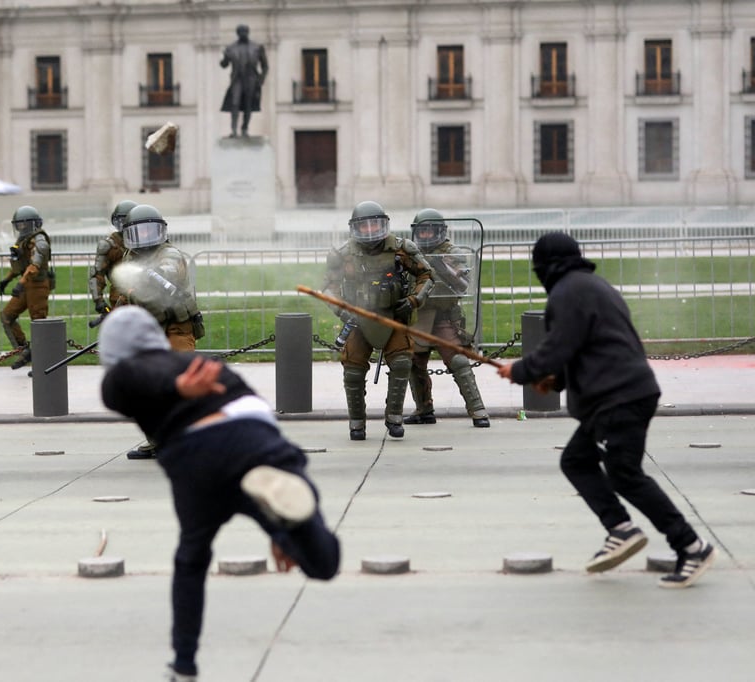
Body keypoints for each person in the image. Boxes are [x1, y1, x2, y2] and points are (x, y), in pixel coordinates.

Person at [98, 305, 340, 682]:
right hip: (257, 439)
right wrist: (281, 531)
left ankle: (183, 666)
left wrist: (177, 390)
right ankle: (284, 520)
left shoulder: (136, 371)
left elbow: (121, 384)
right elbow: (257, 412)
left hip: (198, 454)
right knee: (324, 564)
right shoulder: (206, 364)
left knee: (191, 560)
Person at [497, 232, 715, 588]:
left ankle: (691, 546)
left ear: (545, 266)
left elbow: (559, 344)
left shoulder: (567, 293)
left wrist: (522, 370)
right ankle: (620, 527)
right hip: (616, 395)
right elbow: (587, 346)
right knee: (576, 461)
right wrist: (556, 381)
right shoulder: (591, 286)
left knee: (624, 473)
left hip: (619, 397)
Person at [322, 201, 434, 441]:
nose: (371, 231)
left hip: (393, 316)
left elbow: (427, 275)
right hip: (358, 320)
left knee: (403, 362)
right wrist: (342, 311)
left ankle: (394, 417)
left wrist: (414, 300)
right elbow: (328, 288)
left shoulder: (401, 249)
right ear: (355, 228)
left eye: (376, 225)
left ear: (385, 224)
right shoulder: (343, 254)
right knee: (352, 369)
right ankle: (357, 424)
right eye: (365, 226)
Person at [114, 203, 206, 460]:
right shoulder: (129, 258)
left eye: (149, 230)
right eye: (138, 232)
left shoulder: (170, 254)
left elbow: (170, 271)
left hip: (176, 326)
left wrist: (149, 275)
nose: (145, 237)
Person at [403, 208, 490, 428]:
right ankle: (424, 410)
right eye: (422, 232)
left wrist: (441, 266)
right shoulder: (409, 252)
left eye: (431, 231)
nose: (426, 236)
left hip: (444, 316)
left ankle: (478, 410)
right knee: (414, 362)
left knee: (458, 361)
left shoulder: (451, 251)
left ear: (440, 231)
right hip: (418, 316)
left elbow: (461, 282)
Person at [0, 205, 53, 370]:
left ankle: (43, 364)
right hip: (26, 283)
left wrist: (20, 283)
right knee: (7, 316)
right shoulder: (22, 241)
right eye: (19, 224)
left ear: (33, 224)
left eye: (25, 224)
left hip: (37, 285)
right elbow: (20, 266)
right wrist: (6, 280)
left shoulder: (40, 241)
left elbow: (34, 265)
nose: (21, 227)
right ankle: (25, 350)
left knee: (39, 324)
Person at [87, 199, 136, 319]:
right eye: (121, 221)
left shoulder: (146, 243)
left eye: (128, 221)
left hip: (144, 297)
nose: (125, 226)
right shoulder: (109, 245)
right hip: (120, 299)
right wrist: (99, 300)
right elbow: (97, 274)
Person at [219, 24, 268, 138]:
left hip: (251, 79)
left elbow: (265, 66)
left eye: (245, 31)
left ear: (248, 32)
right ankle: (234, 130)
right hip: (237, 79)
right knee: (234, 103)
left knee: (248, 105)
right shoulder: (231, 48)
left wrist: (261, 78)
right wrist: (224, 58)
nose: (243, 34)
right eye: (241, 32)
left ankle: (245, 128)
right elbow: (224, 65)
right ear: (238, 33)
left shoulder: (257, 47)